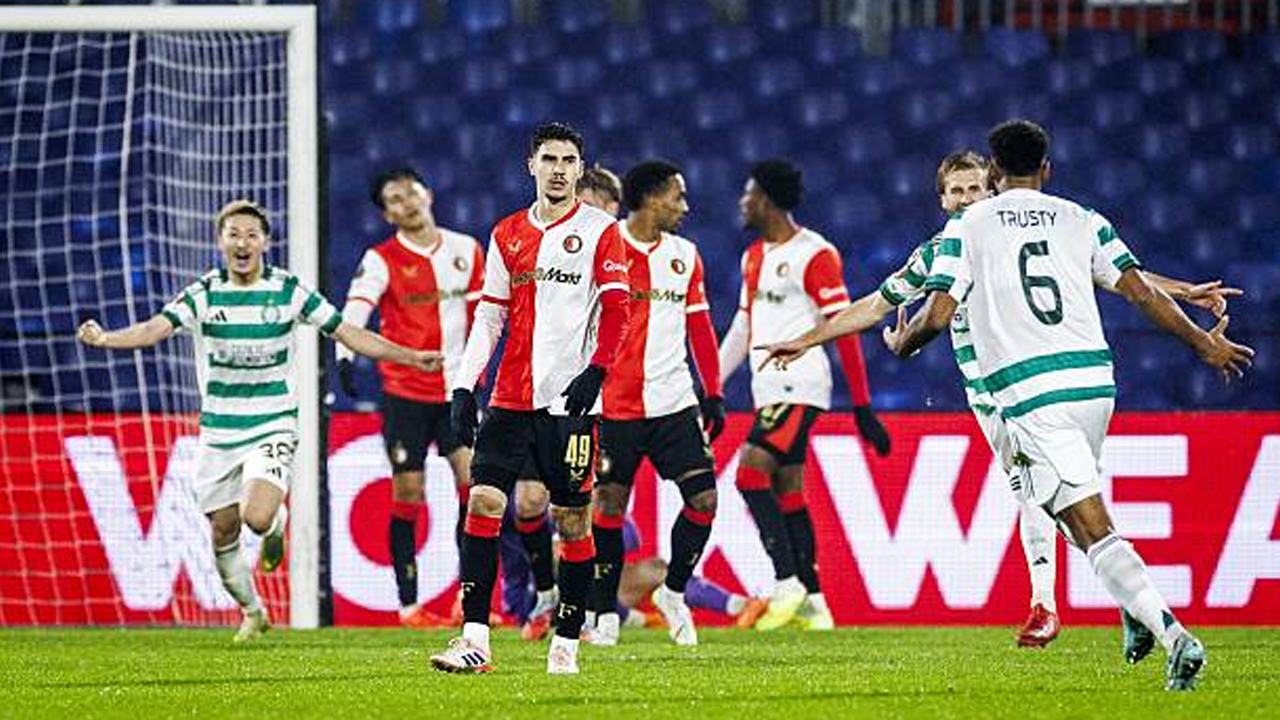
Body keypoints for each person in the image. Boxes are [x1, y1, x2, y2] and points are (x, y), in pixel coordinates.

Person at [758, 151, 1240, 648]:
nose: (966, 198)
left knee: (1038, 495)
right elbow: (875, 305)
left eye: (973, 189)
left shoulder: (1002, 237)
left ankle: (1045, 607)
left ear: (991, 188)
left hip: (1026, 388)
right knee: (1059, 505)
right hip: (987, 393)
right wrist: (808, 339)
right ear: (942, 200)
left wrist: (1182, 291)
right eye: (956, 191)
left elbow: (1111, 274)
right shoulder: (941, 250)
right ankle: (1130, 601)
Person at [883, 119, 1252, 690]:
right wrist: (1202, 342)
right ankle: (1134, 611)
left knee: (1088, 522)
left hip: (1032, 395)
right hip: (1095, 389)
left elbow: (934, 314)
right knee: (1063, 511)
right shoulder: (1082, 219)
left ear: (995, 174)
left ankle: (1174, 633)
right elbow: (1139, 291)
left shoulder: (969, 225)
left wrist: (901, 344)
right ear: (1047, 170)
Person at [77, 200, 440, 642]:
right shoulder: (204, 294)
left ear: (266, 242)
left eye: (252, 234)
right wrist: (106, 338)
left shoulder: (289, 290)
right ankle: (252, 610)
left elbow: (349, 332)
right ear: (220, 242)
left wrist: (410, 356)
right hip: (218, 430)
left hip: (272, 422)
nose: (243, 242)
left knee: (256, 514)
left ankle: (275, 523)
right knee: (223, 529)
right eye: (234, 234)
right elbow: (155, 328)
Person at [429, 122, 630, 675]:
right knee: (484, 504)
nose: (560, 169)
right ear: (531, 165)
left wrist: (597, 371)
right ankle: (475, 639)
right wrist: (465, 384)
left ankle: (566, 640)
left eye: (570, 161)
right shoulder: (507, 233)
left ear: (579, 169)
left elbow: (617, 310)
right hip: (511, 399)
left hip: (571, 406)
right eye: (550, 159)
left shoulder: (600, 231)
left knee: (571, 521)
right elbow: (490, 315)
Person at [718, 160, 890, 632]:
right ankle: (815, 601)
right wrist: (710, 384)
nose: (743, 202)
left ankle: (786, 581)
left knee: (750, 476)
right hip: (765, 386)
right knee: (787, 489)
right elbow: (743, 325)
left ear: (768, 200)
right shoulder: (752, 255)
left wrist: (862, 404)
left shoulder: (815, 254)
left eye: (749, 193)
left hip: (800, 384)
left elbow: (844, 327)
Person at [337, 167, 483, 628]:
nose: (406, 203)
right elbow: (355, 312)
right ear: (387, 214)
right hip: (406, 394)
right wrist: (345, 355)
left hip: (458, 392)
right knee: (409, 492)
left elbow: (487, 316)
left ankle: (469, 599)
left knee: (474, 489)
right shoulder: (380, 260)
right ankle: (409, 606)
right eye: (394, 200)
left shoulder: (466, 250)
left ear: (428, 194)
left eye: (410, 193)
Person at [588, 160, 725, 647]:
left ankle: (673, 592)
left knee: (704, 499)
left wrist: (714, 392)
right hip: (613, 406)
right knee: (607, 504)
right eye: (676, 197)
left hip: (673, 403)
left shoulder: (686, 255)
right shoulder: (603, 249)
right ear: (649, 199)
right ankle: (604, 611)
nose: (684, 207)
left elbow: (700, 328)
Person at [507, 163, 625, 642]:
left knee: (584, 510)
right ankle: (546, 593)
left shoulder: (619, 257)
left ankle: (596, 612)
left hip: (606, 402)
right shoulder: (547, 250)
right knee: (529, 500)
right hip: (542, 396)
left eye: (605, 211)